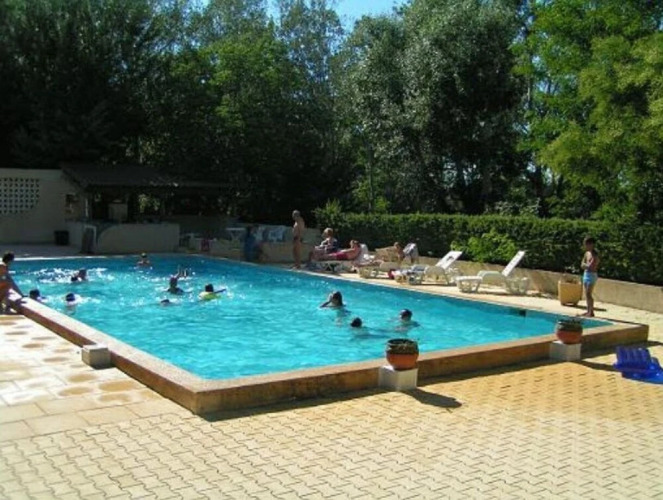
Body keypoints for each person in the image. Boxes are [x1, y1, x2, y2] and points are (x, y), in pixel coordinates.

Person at [581, 236, 600, 317]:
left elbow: (591, 266)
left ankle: (591, 312)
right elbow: (582, 264)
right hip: (586, 274)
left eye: (586, 244)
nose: (585, 246)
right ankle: (588, 310)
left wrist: (585, 265)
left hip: (592, 275)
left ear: (591, 244)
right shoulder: (587, 253)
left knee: (589, 293)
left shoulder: (595, 255)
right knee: (586, 294)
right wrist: (586, 265)